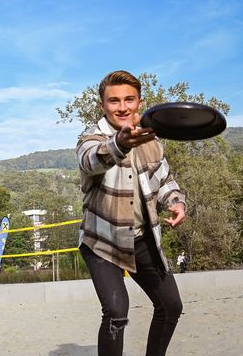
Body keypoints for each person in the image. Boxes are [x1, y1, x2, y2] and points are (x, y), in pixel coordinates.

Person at [76, 70, 186, 356]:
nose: (122, 107)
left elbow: (164, 181)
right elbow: (91, 161)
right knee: (116, 312)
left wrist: (176, 202)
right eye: (114, 101)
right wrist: (120, 144)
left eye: (129, 99)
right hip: (102, 242)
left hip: (141, 238)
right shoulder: (91, 138)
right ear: (102, 105)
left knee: (171, 306)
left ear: (139, 102)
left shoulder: (152, 141)